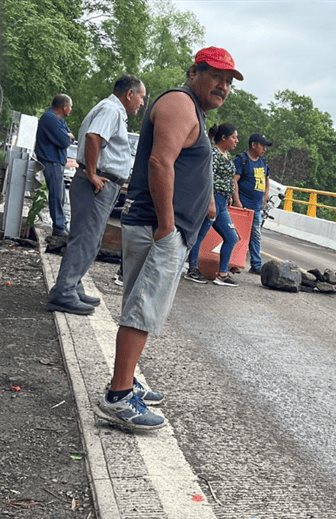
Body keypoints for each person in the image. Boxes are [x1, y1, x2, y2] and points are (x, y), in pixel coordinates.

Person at [93, 47, 242, 431]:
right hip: (159, 228)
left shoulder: (193, 109)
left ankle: (126, 382)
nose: (223, 86)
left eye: (228, 81)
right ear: (195, 72)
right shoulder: (180, 102)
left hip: (166, 227)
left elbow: (186, 162)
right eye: (216, 77)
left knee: (141, 307)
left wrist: (205, 203)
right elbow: (161, 161)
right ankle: (119, 396)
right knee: (143, 310)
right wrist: (167, 224)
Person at [46, 76, 146, 315]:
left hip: (102, 182)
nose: (142, 102)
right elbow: (94, 137)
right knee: (85, 239)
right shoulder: (112, 110)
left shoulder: (110, 109)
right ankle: (64, 292)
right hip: (97, 182)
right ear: (129, 94)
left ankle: (72, 284)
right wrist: (92, 173)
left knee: (88, 238)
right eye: (141, 96)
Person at [185, 123, 240, 286]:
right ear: (223, 138)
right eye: (233, 137)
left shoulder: (226, 155)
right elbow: (208, 178)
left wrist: (230, 195)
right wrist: (211, 202)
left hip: (222, 202)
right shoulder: (213, 154)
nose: (236, 141)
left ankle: (222, 274)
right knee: (199, 234)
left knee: (231, 237)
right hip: (212, 199)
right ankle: (193, 268)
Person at [35, 94, 74, 237]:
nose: (71, 109)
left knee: (61, 194)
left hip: (56, 161)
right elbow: (65, 140)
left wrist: (68, 136)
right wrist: (67, 137)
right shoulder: (50, 118)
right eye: (70, 107)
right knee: (56, 195)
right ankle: (58, 227)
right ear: (64, 107)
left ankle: (61, 223)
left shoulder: (58, 119)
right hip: (51, 160)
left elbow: (70, 135)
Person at [233, 133, 272, 275]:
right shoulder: (241, 160)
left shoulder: (263, 162)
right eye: (262, 146)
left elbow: (266, 179)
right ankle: (234, 262)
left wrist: (265, 196)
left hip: (256, 207)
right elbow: (234, 181)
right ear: (253, 145)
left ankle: (256, 264)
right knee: (238, 236)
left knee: (255, 236)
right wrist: (237, 201)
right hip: (243, 206)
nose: (264, 149)